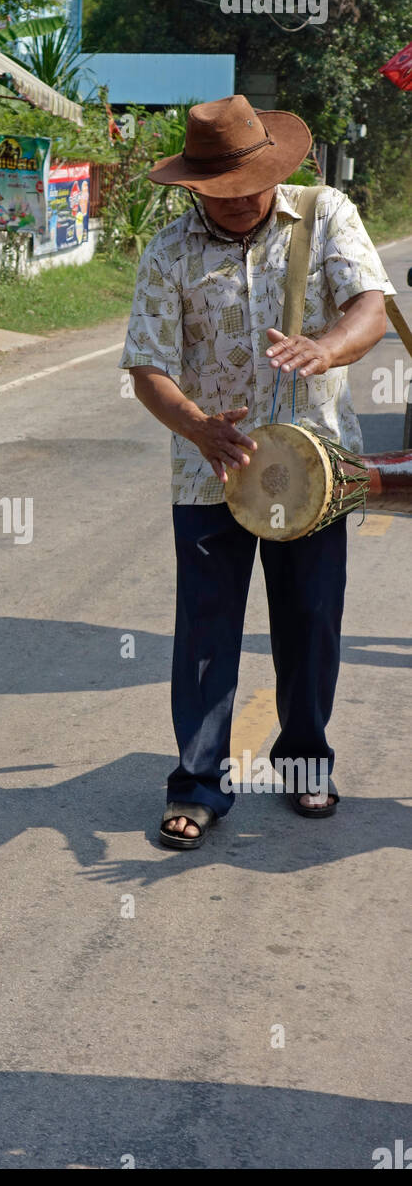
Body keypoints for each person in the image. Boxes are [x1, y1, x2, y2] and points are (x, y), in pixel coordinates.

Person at [121, 94, 394, 849]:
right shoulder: (168, 252)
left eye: (249, 185)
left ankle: (306, 762)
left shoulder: (324, 212)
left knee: (311, 620)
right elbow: (147, 368)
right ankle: (199, 783)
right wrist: (197, 427)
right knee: (206, 631)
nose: (237, 202)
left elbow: (370, 306)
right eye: (219, 191)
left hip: (319, 465)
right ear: (194, 185)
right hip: (211, 471)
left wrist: (329, 347)